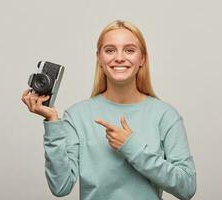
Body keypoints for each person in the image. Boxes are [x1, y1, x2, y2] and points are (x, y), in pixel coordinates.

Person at [21, 20, 196, 200]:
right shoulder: (77, 115)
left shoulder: (165, 115)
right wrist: (52, 123)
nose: (119, 57)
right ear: (99, 58)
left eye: (129, 50)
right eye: (110, 50)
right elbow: (61, 187)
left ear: (142, 59)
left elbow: (187, 187)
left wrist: (131, 146)